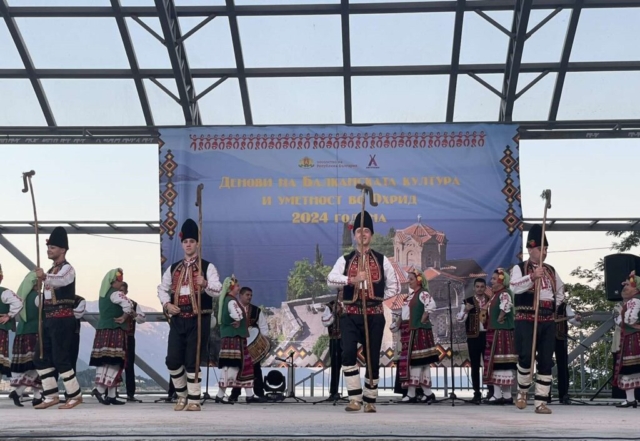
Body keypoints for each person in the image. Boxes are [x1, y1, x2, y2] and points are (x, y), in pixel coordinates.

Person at [327, 210, 399, 413]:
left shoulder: (382, 260)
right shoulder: (345, 260)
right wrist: (351, 280)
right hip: (350, 314)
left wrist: (376, 297)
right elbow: (330, 279)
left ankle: (370, 399)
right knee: (348, 353)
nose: (362, 234)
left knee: (372, 356)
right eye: (359, 231)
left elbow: (395, 286)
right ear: (354, 235)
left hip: (374, 315)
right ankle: (354, 398)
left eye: (366, 230)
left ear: (371, 235)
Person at [157, 218, 222, 411]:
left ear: (197, 244)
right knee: (172, 360)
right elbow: (162, 289)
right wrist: (167, 304)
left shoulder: (207, 267)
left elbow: (218, 290)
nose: (188, 244)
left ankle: (194, 399)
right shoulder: (174, 268)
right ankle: (182, 395)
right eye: (185, 241)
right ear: (182, 243)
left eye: (192, 241)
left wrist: (205, 284)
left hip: (199, 318)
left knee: (193, 359)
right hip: (178, 319)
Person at [510, 224, 564, 414]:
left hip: (546, 319)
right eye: (541, 249)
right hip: (526, 317)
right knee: (526, 355)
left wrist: (553, 306)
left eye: (546, 249)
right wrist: (532, 277)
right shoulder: (520, 268)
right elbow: (514, 287)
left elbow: (560, 290)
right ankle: (522, 391)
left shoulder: (550, 270)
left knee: (546, 359)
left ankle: (541, 401)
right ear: (530, 249)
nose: (545, 252)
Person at [33, 226, 83, 409]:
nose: (49, 250)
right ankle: (51, 395)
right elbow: (46, 297)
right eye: (48, 247)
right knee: (40, 357)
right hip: (49, 319)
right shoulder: (51, 270)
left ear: (63, 249)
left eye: (52, 247)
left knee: (61, 358)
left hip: (62, 320)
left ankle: (75, 395)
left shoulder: (68, 269)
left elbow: (62, 280)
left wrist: (45, 277)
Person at [390, 268, 438, 403]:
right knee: (419, 363)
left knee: (417, 362)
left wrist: (423, 317)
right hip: (409, 330)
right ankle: (427, 393)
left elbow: (431, 305)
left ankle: (412, 393)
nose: (408, 281)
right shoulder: (410, 296)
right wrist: (398, 323)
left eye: (411, 279)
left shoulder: (423, 293)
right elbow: (404, 313)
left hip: (417, 331)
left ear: (419, 280)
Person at [89, 269, 134, 405]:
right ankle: (100, 390)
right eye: (119, 281)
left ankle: (111, 395)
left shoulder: (103, 294)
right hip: (115, 330)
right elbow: (129, 304)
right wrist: (124, 317)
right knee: (115, 360)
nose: (120, 284)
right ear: (113, 282)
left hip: (103, 330)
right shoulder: (116, 294)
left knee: (105, 361)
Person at [215, 276, 263, 403]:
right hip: (233, 338)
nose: (239, 288)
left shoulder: (228, 300)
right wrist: (237, 320)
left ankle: (249, 395)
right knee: (232, 366)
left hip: (236, 337)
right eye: (237, 286)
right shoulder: (231, 301)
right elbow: (237, 315)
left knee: (244, 366)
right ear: (231, 287)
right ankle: (220, 395)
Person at [482, 268, 517, 405]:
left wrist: (500, 317)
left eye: (494, 279)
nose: (491, 281)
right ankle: (506, 395)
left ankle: (498, 395)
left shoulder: (504, 293)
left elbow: (506, 305)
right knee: (501, 362)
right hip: (498, 331)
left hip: (500, 332)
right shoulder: (497, 295)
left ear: (502, 281)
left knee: (499, 362)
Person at [456, 278, 494, 403]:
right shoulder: (467, 301)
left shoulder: (491, 300)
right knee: (475, 365)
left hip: (488, 336)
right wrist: (466, 310)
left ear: (485, 288)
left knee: (489, 364)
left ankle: (492, 392)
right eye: (477, 286)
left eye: (482, 287)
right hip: (473, 337)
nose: (479, 289)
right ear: (474, 288)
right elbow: (460, 319)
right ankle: (476, 393)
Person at [230, 287, 268, 402]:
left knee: (256, 368)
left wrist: (264, 340)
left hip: (252, 345)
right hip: (237, 342)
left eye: (251, 295)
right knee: (238, 368)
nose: (249, 297)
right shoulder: (233, 308)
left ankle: (259, 393)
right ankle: (234, 394)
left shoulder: (256, 311)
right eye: (247, 295)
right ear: (240, 295)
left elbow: (263, 327)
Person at [9, 271, 41, 407]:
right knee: (41, 364)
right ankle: (19, 391)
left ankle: (37, 396)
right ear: (35, 283)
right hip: (35, 333)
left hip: (22, 333)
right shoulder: (38, 297)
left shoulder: (22, 298)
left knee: (35, 365)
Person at [612, 270, 640, 408]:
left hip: (634, 338)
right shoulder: (633, 301)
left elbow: (629, 320)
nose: (625, 287)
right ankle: (630, 400)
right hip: (632, 337)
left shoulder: (635, 301)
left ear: (636, 289)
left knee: (631, 366)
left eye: (628, 285)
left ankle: (630, 400)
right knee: (631, 368)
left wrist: (619, 319)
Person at [551, 299, 581, 404]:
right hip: (545, 339)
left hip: (560, 338)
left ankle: (563, 394)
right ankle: (544, 394)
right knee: (544, 365)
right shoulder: (544, 303)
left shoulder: (564, 306)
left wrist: (577, 319)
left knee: (563, 366)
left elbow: (574, 322)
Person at [1, 264, 23, 394]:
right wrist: (9, 315)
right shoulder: (4, 292)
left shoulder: (4, 292)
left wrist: (9, 315)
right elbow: (19, 302)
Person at [122, 282, 146, 402]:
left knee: (129, 364)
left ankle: (130, 393)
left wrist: (134, 314)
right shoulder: (111, 303)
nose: (120, 294)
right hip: (114, 336)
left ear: (126, 292)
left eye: (122, 291)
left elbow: (142, 319)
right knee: (112, 363)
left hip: (129, 336)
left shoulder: (133, 304)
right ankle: (110, 393)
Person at [321, 288, 344, 401]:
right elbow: (325, 322)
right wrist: (334, 313)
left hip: (349, 340)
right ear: (338, 292)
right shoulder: (330, 306)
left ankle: (354, 393)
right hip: (335, 339)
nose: (343, 293)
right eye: (341, 291)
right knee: (335, 366)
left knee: (350, 365)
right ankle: (333, 392)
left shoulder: (352, 304)